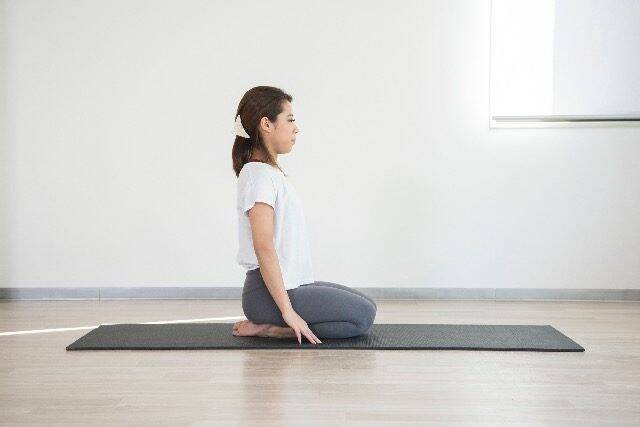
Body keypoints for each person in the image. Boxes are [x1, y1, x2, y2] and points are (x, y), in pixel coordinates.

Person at [231, 86, 377, 345]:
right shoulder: (258, 176)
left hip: (289, 283)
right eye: (289, 120)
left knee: (367, 305)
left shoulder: (268, 174)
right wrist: (288, 312)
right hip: (265, 294)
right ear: (266, 124)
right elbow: (263, 246)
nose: (296, 128)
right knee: (362, 316)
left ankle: (275, 323)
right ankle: (274, 328)